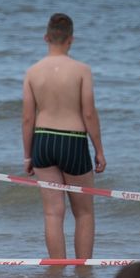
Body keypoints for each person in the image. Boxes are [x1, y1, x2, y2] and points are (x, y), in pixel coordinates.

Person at [21, 13, 107, 261]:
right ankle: (83, 269)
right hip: (73, 141)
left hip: (43, 141)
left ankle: (57, 270)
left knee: (52, 213)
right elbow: (88, 113)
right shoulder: (82, 70)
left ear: (46, 37)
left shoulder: (33, 72)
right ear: (71, 39)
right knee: (84, 213)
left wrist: (28, 154)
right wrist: (99, 150)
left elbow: (27, 118)